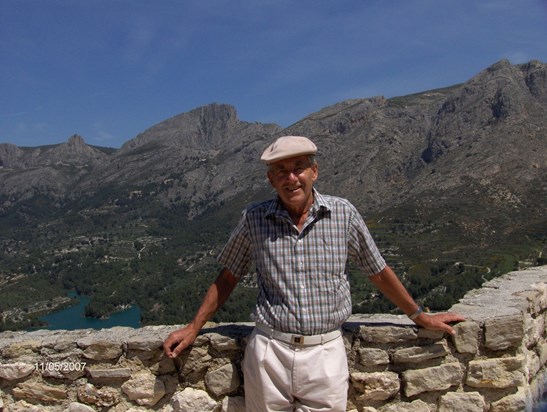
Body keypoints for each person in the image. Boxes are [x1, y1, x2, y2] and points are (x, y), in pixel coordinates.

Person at [163, 135, 465, 411]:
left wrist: (419, 316)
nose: (291, 178)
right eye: (281, 171)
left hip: (326, 353)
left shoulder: (343, 213)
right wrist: (193, 328)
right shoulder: (254, 218)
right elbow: (228, 277)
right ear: (271, 179)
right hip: (270, 352)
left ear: (314, 172)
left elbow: (378, 271)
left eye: (299, 168)